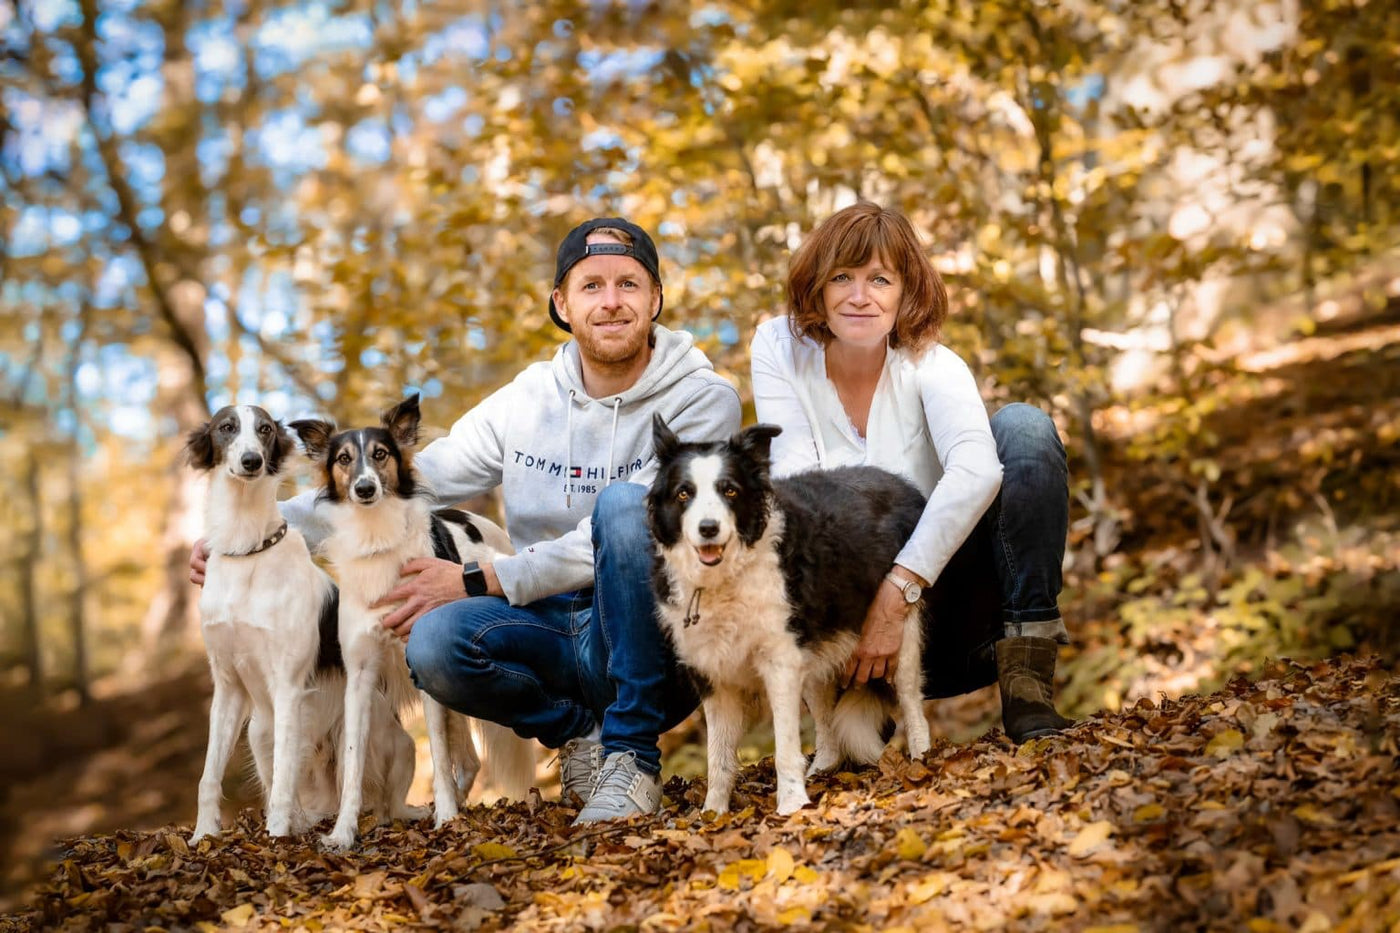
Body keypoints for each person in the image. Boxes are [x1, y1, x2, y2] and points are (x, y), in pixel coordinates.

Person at [192, 217, 743, 822]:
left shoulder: (703, 398)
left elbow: (629, 532)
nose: (610, 302)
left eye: (628, 285)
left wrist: (478, 579)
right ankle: (584, 736)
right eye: (591, 286)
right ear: (561, 302)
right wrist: (253, 536)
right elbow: (411, 476)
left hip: (658, 635)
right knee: (432, 643)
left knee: (622, 506)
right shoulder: (527, 400)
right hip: (552, 628)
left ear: (656, 298)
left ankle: (632, 759)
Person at [749, 201, 1073, 744]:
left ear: (906, 292)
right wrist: (861, 614)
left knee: (1024, 430)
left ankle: (1028, 689)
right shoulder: (780, 347)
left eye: (880, 279)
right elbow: (797, 488)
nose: (859, 296)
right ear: (817, 287)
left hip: (955, 619)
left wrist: (899, 593)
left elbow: (976, 471)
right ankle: (849, 719)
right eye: (842, 277)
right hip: (843, 629)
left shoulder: (934, 364)